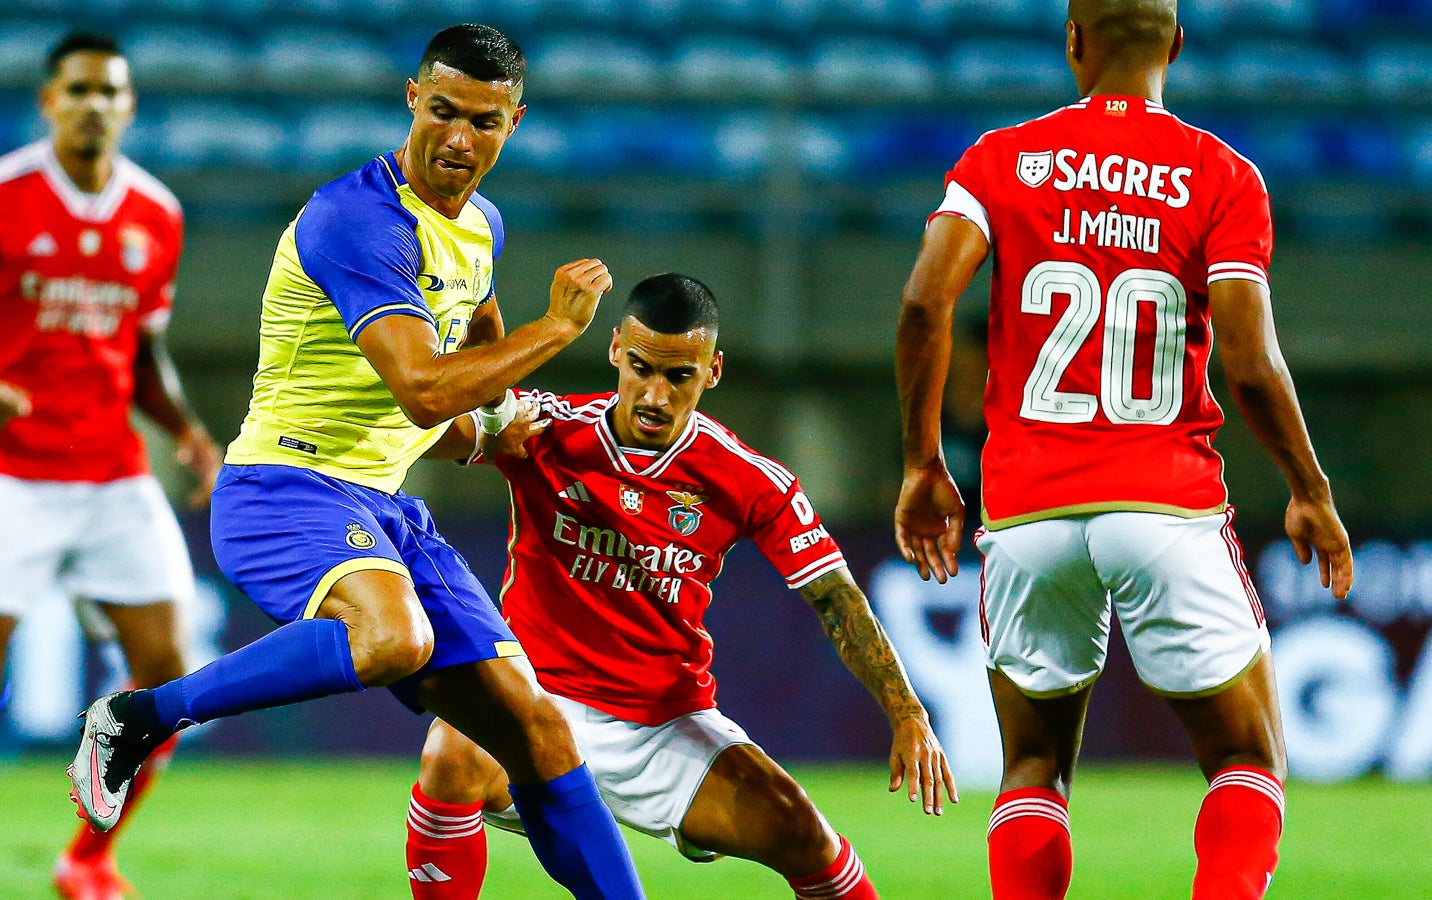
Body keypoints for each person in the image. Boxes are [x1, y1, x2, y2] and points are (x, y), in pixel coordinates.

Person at [67, 25, 646, 899]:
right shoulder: (357, 219)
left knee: (539, 738)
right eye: (443, 111)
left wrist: (500, 428)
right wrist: (558, 329)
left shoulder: (480, 226)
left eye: (484, 123)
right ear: (411, 99)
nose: (459, 139)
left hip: (387, 509)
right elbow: (422, 388)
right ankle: (138, 717)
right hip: (281, 489)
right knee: (393, 637)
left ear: (514, 124)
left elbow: (462, 394)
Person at [892, 1, 1355, 898]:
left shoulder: (1001, 159)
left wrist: (922, 464)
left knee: (1032, 771)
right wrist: (1310, 488)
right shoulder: (1221, 174)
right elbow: (1250, 362)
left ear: (1072, 41)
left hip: (1026, 511)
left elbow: (922, 305)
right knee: (1246, 757)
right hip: (1164, 503)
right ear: (1175, 44)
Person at [401, 273, 955, 900]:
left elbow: (837, 600)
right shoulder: (544, 430)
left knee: (803, 834)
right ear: (615, 350)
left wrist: (907, 713)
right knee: (451, 751)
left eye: (679, 376)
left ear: (712, 371)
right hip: (536, 703)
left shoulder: (746, 479)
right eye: (641, 368)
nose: (655, 395)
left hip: (663, 724)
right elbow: (442, 425)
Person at [0, 32, 220, 900]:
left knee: (172, 676)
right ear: (49, 101)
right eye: (78, 90)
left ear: (130, 106)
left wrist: (188, 432)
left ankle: (88, 860)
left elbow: (144, 355)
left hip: (109, 468)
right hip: (1, 465)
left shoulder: (156, 213)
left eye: (111, 91)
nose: (94, 105)